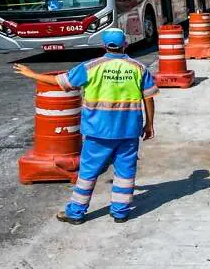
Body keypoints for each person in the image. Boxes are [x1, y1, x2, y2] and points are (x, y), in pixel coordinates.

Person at [13, 28, 158, 225]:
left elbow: (59, 81)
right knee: (125, 171)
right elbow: (148, 99)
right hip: (128, 131)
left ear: (104, 46)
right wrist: (149, 124)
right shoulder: (138, 68)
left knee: (88, 172)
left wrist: (31, 74)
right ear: (125, 44)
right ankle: (120, 212)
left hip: (98, 132)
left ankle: (76, 213)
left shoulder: (90, 67)